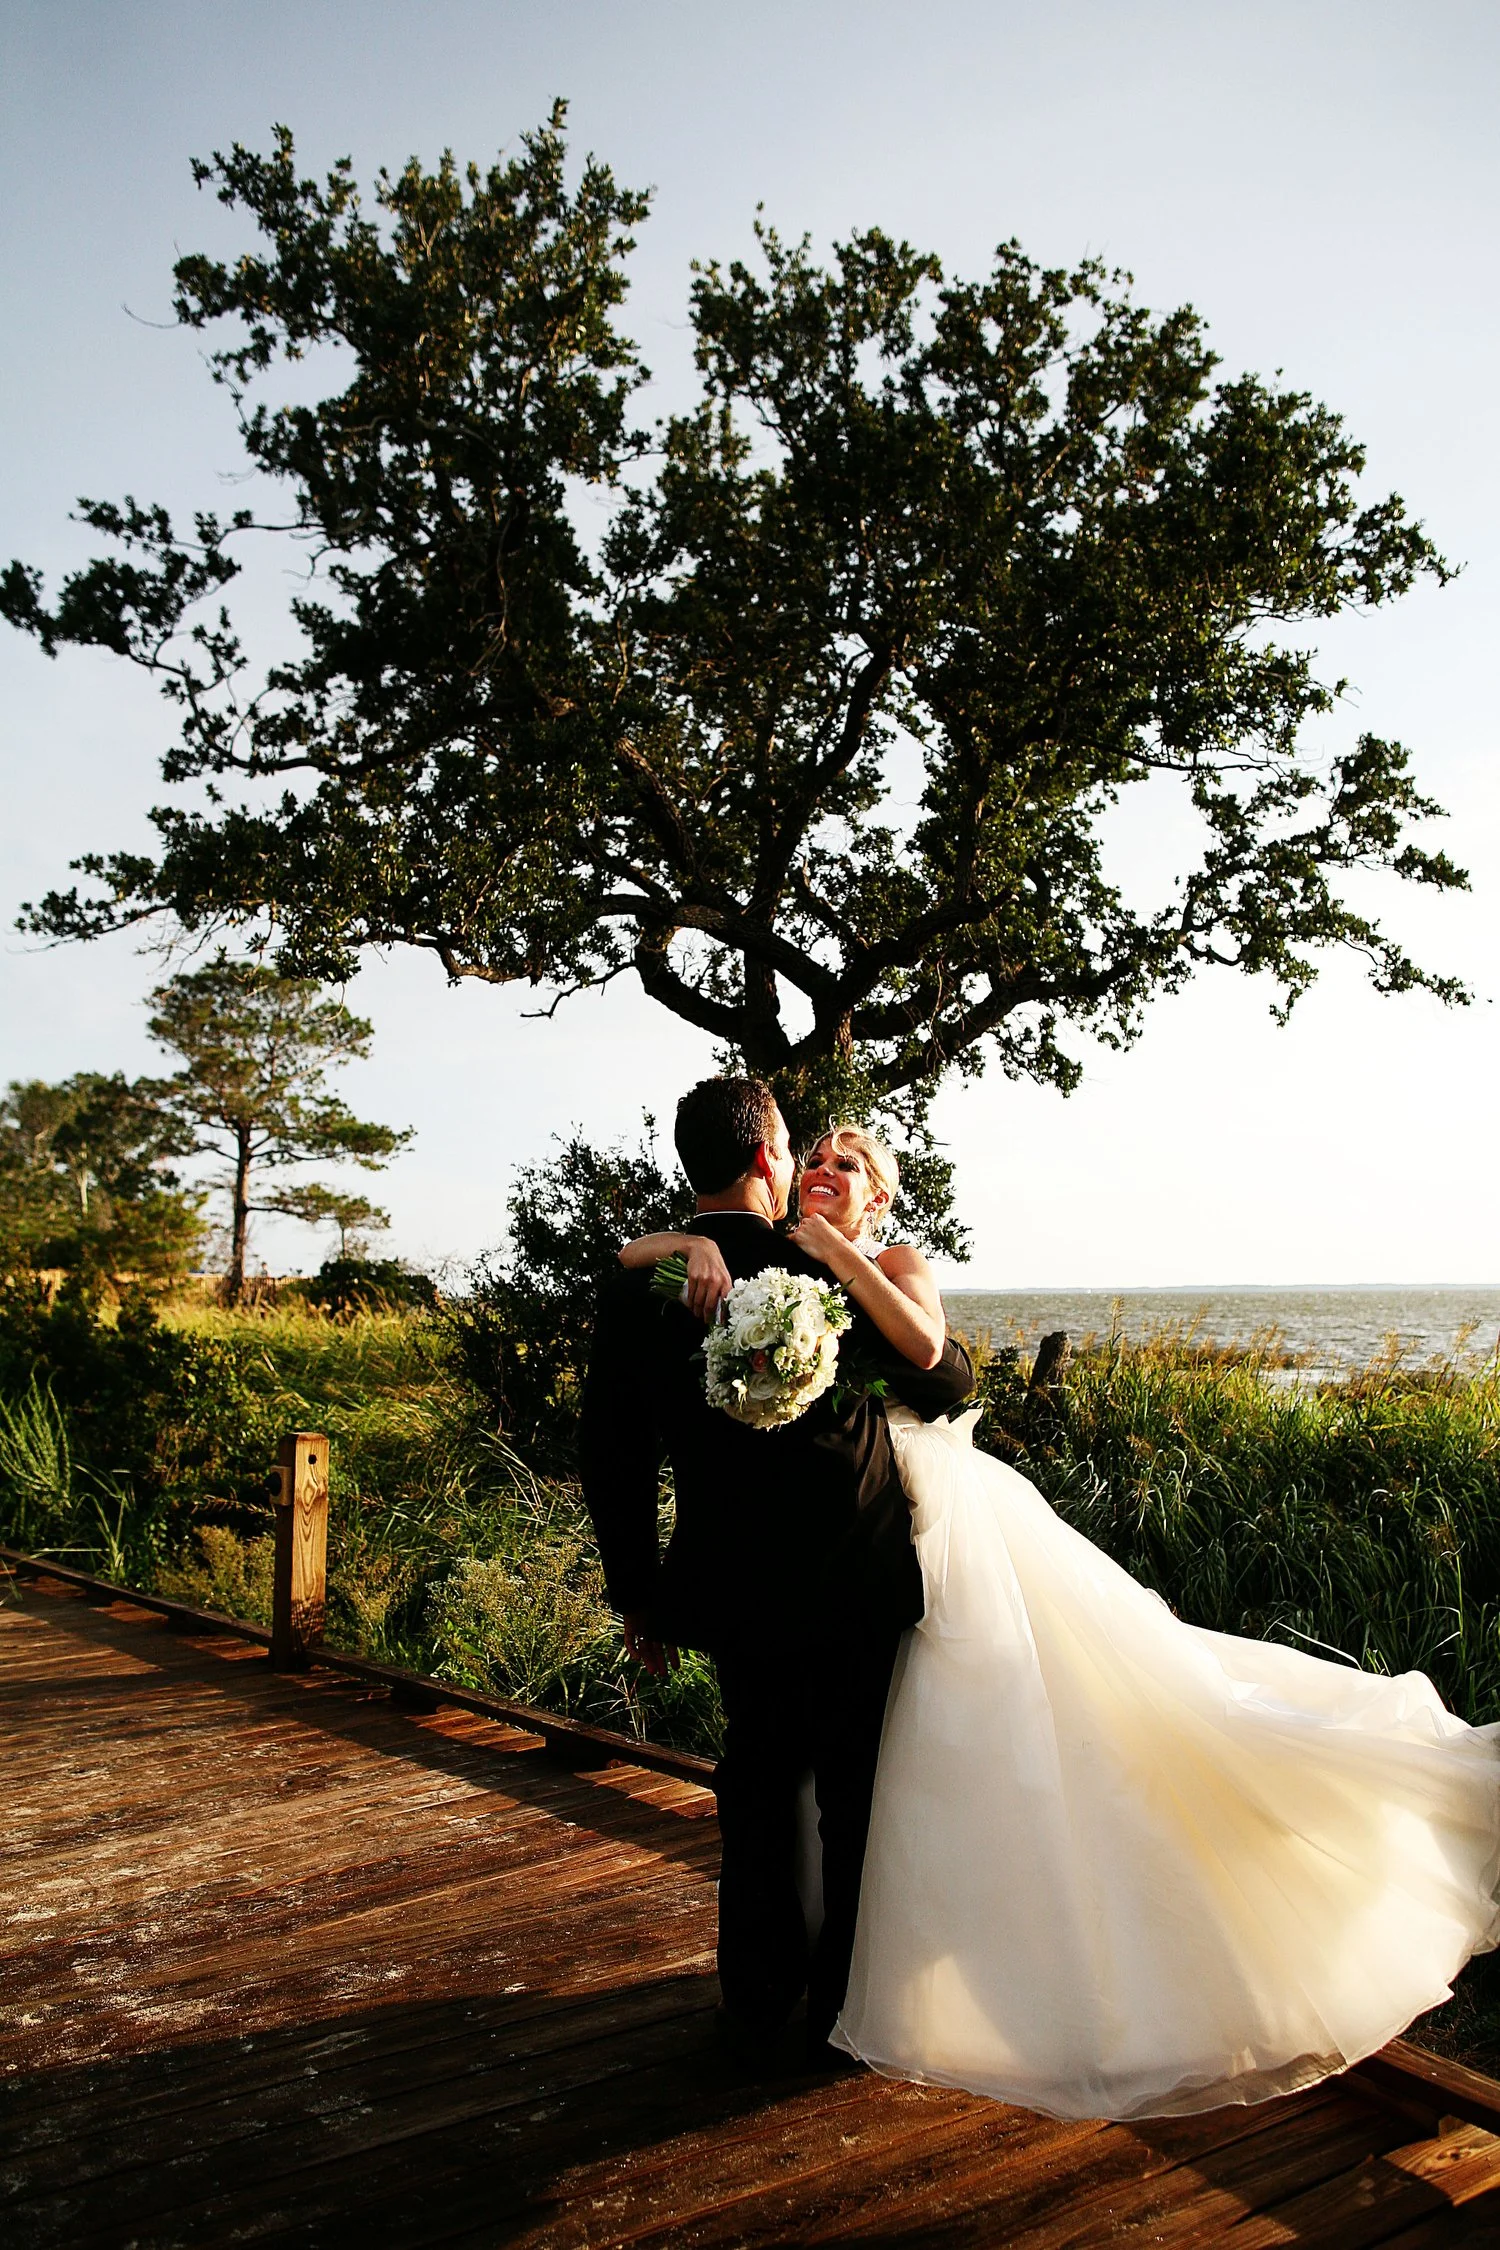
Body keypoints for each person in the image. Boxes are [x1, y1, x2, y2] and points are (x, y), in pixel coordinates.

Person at [615, 1120, 1500, 2122]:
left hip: (928, 1533)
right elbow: (635, 1252)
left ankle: (886, 1988)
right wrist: (687, 1243)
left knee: (1000, 1735)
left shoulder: (886, 1258)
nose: (823, 1167)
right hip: (854, 1545)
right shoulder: (756, 1256)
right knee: (879, 1769)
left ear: (883, 1199)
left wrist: (841, 1257)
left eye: (848, 1163)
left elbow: (941, 1368)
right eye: (812, 1155)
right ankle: (835, 1983)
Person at [577, 1078, 974, 2069]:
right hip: (855, 1570)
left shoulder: (648, 1285)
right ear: (767, 1160)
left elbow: (611, 1456)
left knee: (756, 1782)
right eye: (796, 1147)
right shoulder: (825, 1261)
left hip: (732, 1575)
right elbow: (948, 1377)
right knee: (854, 1799)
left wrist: (639, 1594)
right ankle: (846, 2020)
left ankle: (755, 1997)